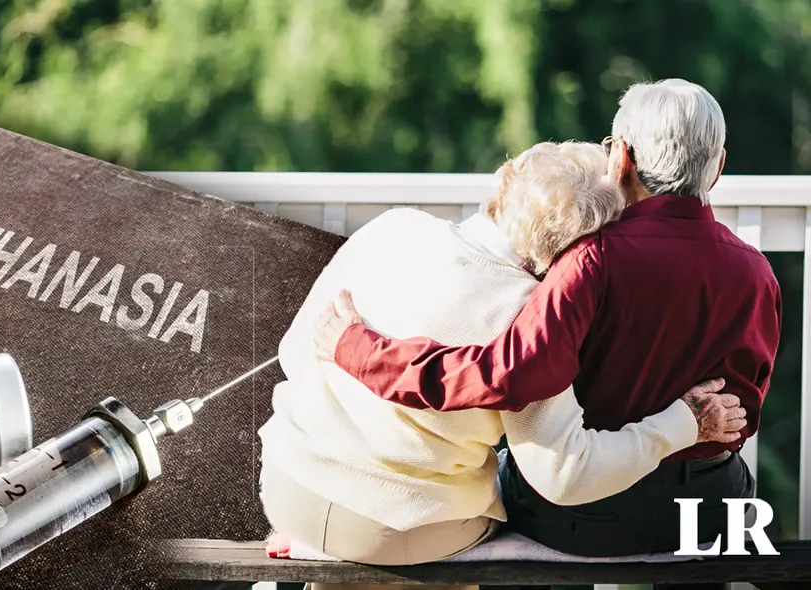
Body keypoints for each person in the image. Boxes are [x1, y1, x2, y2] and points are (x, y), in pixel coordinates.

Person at [314, 79, 782, 558]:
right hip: (705, 507)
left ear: (621, 157)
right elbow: (742, 407)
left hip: (587, 514)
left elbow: (505, 375)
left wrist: (362, 351)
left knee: (500, 476)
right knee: (732, 490)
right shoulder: (757, 272)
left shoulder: (591, 260)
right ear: (718, 167)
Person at [258, 141, 747, 590]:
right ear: (581, 250)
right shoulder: (530, 319)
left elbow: (294, 352)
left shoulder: (394, 226)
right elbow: (567, 475)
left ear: (507, 179)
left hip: (290, 487)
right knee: (499, 510)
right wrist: (682, 424)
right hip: (399, 528)